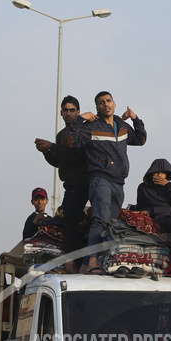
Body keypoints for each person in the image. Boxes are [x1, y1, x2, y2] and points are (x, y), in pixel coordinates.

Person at [68, 91, 147, 274]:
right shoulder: (92, 125)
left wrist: (135, 119)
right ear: (97, 108)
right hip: (100, 179)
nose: (106, 104)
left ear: (114, 103)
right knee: (100, 219)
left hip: (119, 182)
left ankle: (91, 263)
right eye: (101, 103)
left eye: (108, 101)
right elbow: (71, 142)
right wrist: (79, 120)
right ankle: (93, 261)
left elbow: (141, 140)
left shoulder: (121, 125)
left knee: (111, 223)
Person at [35, 95, 90, 272]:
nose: (68, 113)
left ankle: (73, 262)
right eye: (65, 110)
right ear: (61, 112)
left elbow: (75, 156)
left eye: (72, 110)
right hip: (70, 185)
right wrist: (46, 151)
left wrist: (51, 146)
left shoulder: (82, 131)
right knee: (68, 221)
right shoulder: (62, 135)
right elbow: (60, 161)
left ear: (78, 112)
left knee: (72, 222)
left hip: (84, 183)